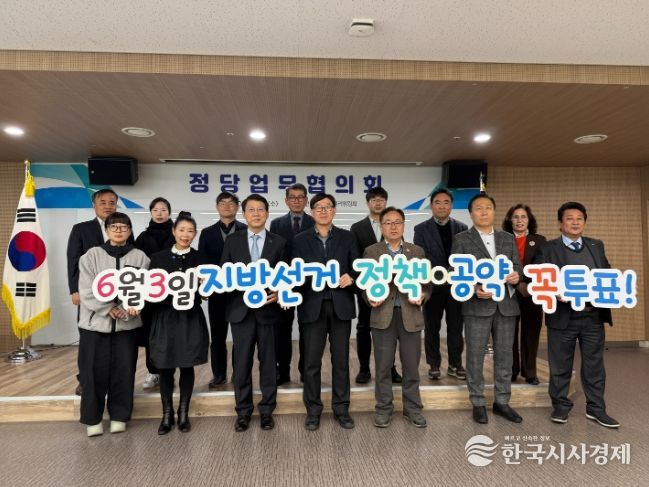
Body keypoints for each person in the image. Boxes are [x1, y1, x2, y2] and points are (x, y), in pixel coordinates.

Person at [533, 202, 619, 428]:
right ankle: (561, 406)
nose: (575, 222)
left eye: (579, 218)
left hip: (593, 316)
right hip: (563, 317)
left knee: (594, 366)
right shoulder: (548, 248)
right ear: (560, 223)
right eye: (569, 218)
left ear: (584, 222)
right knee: (560, 365)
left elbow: (606, 273)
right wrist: (554, 291)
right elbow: (537, 277)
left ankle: (596, 409)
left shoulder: (596, 245)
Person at [451, 193, 523, 425]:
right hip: (476, 306)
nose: (484, 212)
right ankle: (478, 402)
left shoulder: (507, 238)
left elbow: (517, 266)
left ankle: (502, 401)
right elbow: (455, 272)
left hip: (506, 305)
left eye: (488, 207)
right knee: (475, 356)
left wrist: (516, 275)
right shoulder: (462, 239)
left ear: (494, 211)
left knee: (505, 356)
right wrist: (473, 288)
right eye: (479, 208)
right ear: (471, 213)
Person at [77, 212, 149, 436]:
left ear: (130, 231)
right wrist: (108, 309)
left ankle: (119, 416)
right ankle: (92, 419)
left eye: (124, 227)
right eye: (114, 226)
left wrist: (127, 310)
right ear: (106, 230)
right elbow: (86, 290)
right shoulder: (91, 256)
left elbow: (143, 290)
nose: (119, 230)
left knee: (124, 372)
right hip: (95, 326)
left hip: (127, 326)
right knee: (92, 373)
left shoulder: (140, 258)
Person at [221, 195, 287, 432]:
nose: (256, 214)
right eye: (251, 210)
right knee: (241, 364)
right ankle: (243, 411)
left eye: (260, 209)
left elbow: (286, 274)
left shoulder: (279, 242)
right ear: (244, 214)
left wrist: (281, 291)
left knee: (268, 363)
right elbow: (224, 273)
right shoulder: (233, 240)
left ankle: (267, 410)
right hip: (241, 312)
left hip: (268, 311)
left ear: (267, 213)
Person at [292, 193, 359, 431]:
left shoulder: (347, 237)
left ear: (334, 210)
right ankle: (313, 410)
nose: (323, 211)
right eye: (318, 207)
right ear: (311, 212)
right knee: (311, 363)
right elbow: (294, 274)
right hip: (312, 306)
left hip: (341, 305)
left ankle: (342, 409)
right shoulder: (299, 240)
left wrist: (352, 277)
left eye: (327, 207)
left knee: (341, 361)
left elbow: (358, 268)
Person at [364, 207, 431, 428]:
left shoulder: (416, 251)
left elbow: (427, 284)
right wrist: (369, 298)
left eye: (397, 222)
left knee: (411, 367)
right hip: (383, 314)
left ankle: (413, 409)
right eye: (388, 222)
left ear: (403, 225)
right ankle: (384, 409)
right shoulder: (371, 252)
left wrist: (423, 295)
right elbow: (364, 284)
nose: (393, 227)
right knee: (383, 367)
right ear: (381, 226)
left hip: (410, 315)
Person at [149, 211, 209, 434]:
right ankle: (167, 414)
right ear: (174, 231)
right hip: (165, 317)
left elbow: (206, 293)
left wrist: (205, 288)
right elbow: (150, 290)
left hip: (190, 317)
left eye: (190, 231)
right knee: (165, 366)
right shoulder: (158, 258)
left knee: (187, 364)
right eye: (181, 230)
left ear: (195, 234)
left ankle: (183, 413)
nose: (185, 235)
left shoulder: (200, 258)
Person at [67, 188, 127, 396]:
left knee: (114, 340)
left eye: (112, 202)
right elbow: (73, 260)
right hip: (89, 293)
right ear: (94, 205)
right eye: (103, 202)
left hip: (117, 294)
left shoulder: (122, 228)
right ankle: (84, 380)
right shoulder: (81, 229)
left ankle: (111, 381)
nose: (108, 206)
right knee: (89, 339)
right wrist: (75, 290)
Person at [413, 188, 468, 381]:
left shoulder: (462, 228)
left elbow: (465, 256)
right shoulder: (421, 229)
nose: (442, 206)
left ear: (451, 205)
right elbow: (420, 257)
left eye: (446, 202)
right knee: (432, 327)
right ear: (431, 206)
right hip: (432, 286)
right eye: (437, 202)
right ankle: (434, 365)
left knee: (456, 327)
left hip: (455, 286)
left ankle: (455, 364)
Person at [350, 186, 402, 384]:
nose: (378, 203)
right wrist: (363, 286)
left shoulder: (393, 226)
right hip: (367, 286)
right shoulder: (357, 227)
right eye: (374, 200)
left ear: (386, 202)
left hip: (391, 288)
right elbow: (355, 259)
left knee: (389, 328)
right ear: (368, 203)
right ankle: (364, 369)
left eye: (381, 199)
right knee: (364, 327)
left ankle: (391, 368)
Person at [198, 192, 247, 388]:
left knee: (240, 336)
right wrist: (204, 287)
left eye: (231, 203)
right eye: (222, 203)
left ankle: (239, 373)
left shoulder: (246, 230)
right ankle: (218, 374)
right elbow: (202, 261)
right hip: (217, 292)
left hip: (240, 292)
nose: (227, 206)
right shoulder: (207, 232)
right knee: (217, 336)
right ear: (217, 207)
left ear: (237, 207)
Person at [270, 183, 314, 384]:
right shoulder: (276, 224)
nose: (297, 200)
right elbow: (274, 254)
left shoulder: (314, 222)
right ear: (286, 201)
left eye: (300, 197)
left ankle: (306, 370)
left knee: (308, 330)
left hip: (308, 284)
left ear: (306, 200)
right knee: (282, 330)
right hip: (284, 284)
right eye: (292, 197)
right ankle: (283, 370)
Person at [502, 204, 546, 385]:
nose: (519, 220)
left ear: (529, 220)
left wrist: (524, 282)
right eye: (515, 217)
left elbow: (541, 265)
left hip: (532, 292)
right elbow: (500, 264)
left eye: (523, 217)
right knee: (508, 334)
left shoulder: (540, 240)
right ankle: (511, 371)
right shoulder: (502, 240)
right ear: (510, 220)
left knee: (531, 333)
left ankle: (530, 373)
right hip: (508, 291)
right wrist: (516, 282)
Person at [135, 197, 175, 391]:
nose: (159, 213)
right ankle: (153, 372)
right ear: (151, 213)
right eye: (156, 210)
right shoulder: (143, 237)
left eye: (163, 209)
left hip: (173, 292)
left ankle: (169, 373)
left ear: (169, 212)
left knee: (171, 334)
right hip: (149, 294)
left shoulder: (177, 233)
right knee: (151, 334)